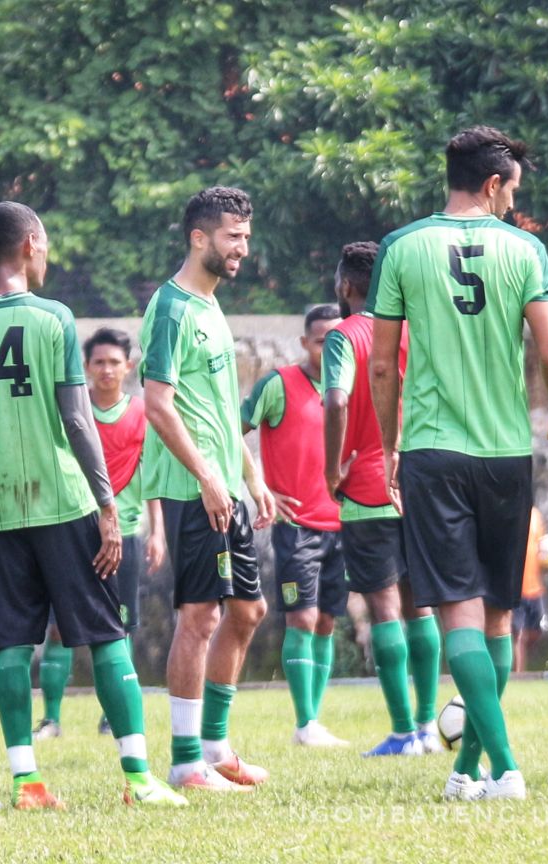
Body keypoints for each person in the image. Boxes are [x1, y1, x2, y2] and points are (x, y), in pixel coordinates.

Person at [0, 201, 184, 808]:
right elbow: (77, 420)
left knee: (13, 646)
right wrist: (106, 504)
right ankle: (137, 780)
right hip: (65, 505)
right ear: (29, 245)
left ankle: (26, 782)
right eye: (44, 246)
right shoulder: (53, 320)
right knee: (106, 639)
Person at [368, 126, 548, 801]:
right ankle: (467, 771)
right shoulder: (525, 250)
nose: (513, 202)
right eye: (512, 190)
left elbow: (380, 363)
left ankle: (504, 769)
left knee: (459, 613)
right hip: (505, 455)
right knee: (497, 616)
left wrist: (390, 445)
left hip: (434, 452)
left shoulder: (402, 247)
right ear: (492, 184)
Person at [140, 186, 277, 792]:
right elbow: (158, 406)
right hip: (194, 490)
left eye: (246, 236)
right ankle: (186, 762)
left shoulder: (210, 306)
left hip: (225, 490)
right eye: (232, 237)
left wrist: (253, 476)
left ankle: (217, 748)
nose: (242, 248)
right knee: (199, 617)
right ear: (200, 239)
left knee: (247, 612)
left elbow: (220, 410)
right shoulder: (171, 309)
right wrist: (207, 477)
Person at [324, 241, 442, 758]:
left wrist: (332, 468)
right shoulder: (416, 330)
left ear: (346, 287)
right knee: (422, 609)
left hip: (368, 486)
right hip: (419, 484)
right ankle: (426, 728)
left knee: (384, 609)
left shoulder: (344, 336)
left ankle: (403, 733)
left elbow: (336, 398)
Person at [32, 327, 167, 739]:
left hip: (125, 534)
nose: (107, 370)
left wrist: (157, 532)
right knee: (58, 628)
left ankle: (114, 717)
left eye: (114, 362)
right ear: (86, 368)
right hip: (73, 533)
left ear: (129, 367)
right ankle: (51, 719)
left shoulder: (143, 414)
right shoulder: (71, 413)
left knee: (120, 628)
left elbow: (152, 479)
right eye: (98, 362)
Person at [241, 304, 352, 747]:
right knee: (302, 618)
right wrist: (259, 485)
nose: (331, 347)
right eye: (323, 339)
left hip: (345, 524)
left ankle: (315, 721)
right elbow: (232, 432)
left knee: (326, 621)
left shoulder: (352, 388)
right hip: (297, 525)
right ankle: (304, 723)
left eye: (337, 339)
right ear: (305, 343)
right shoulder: (279, 384)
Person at [511, 508, 548, 673]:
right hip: (515, 588)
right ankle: (518, 676)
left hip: (535, 589)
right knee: (518, 635)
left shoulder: (535, 515)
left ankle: (518, 668)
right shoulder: (509, 512)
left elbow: (541, 552)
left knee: (536, 632)